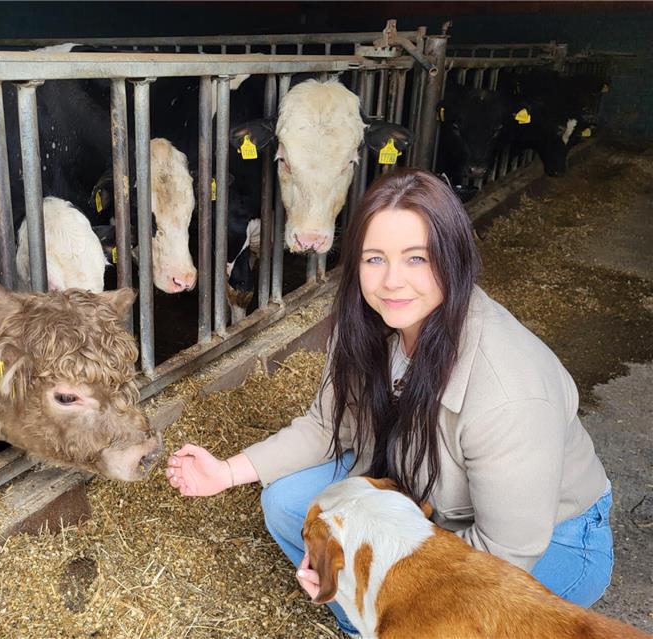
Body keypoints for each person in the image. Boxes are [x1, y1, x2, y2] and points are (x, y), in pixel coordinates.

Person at [165, 169, 613, 636]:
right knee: (285, 502)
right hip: (419, 490)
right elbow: (326, 428)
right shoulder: (369, 322)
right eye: (374, 258)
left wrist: (375, 570)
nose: (392, 281)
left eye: (417, 258)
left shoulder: (510, 390)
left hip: (550, 542)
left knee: (442, 608)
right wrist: (226, 472)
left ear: (453, 258)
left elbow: (506, 553)